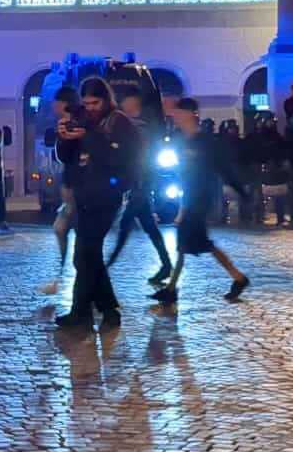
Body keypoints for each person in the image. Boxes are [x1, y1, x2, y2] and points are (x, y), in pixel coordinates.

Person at [55, 76, 140, 331]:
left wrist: (90, 136)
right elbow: (68, 158)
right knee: (87, 255)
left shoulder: (118, 122)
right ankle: (108, 310)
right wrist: (64, 139)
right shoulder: (86, 121)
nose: (90, 107)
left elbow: (118, 158)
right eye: (87, 103)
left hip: (106, 197)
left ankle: (80, 313)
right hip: (85, 196)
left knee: (84, 254)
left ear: (106, 99)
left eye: (95, 102)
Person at [151, 97, 250, 304]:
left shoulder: (205, 142)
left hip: (200, 199)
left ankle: (238, 278)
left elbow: (223, 168)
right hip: (189, 198)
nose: (175, 116)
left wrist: (241, 191)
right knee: (186, 245)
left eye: (179, 112)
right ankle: (236, 278)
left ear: (190, 114)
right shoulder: (179, 140)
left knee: (196, 244)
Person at [108, 87, 175, 277]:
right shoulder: (135, 126)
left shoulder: (140, 128)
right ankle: (166, 264)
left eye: (126, 103)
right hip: (139, 183)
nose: (123, 106)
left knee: (126, 223)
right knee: (149, 226)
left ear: (134, 104)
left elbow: (142, 158)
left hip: (141, 183)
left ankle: (109, 263)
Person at [49, 87, 79, 259]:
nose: (53, 105)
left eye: (55, 101)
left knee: (66, 229)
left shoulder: (75, 124)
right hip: (70, 188)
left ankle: (77, 267)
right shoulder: (64, 124)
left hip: (78, 189)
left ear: (63, 103)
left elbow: (67, 157)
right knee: (60, 228)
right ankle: (66, 266)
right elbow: (63, 157)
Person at [248, 114, 291, 228]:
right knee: (259, 193)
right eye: (268, 121)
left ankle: (280, 217)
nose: (270, 123)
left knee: (279, 194)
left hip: (276, 168)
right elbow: (254, 151)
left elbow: (283, 150)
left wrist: (280, 162)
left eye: (272, 121)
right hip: (261, 167)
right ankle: (258, 216)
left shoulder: (278, 137)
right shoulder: (258, 136)